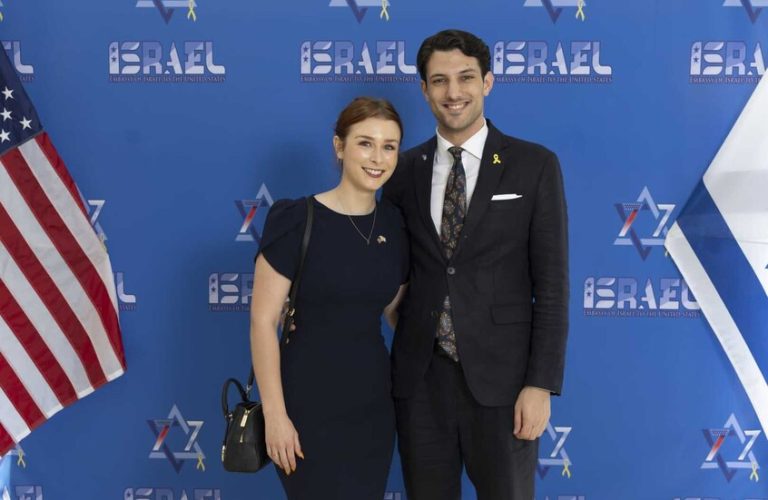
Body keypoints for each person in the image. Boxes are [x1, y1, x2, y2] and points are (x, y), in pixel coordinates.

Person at [383, 29, 569, 499]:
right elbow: (390, 269)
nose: (453, 92)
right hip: (420, 383)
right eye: (439, 80)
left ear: (487, 81)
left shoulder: (534, 165)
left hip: (506, 385)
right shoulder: (402, 172)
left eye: (465, 77)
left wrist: (540, 385)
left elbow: (552, 285)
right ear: (424, 89)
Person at [249, 97, 409, 499]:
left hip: (373, 408)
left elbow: (395, 310)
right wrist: (276, 416)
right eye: (365, 143)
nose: (378, 158)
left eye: (389, 146)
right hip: (306, 407)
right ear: (339, 146)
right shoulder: (296, 219)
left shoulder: (395, 224)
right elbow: (263, 322)